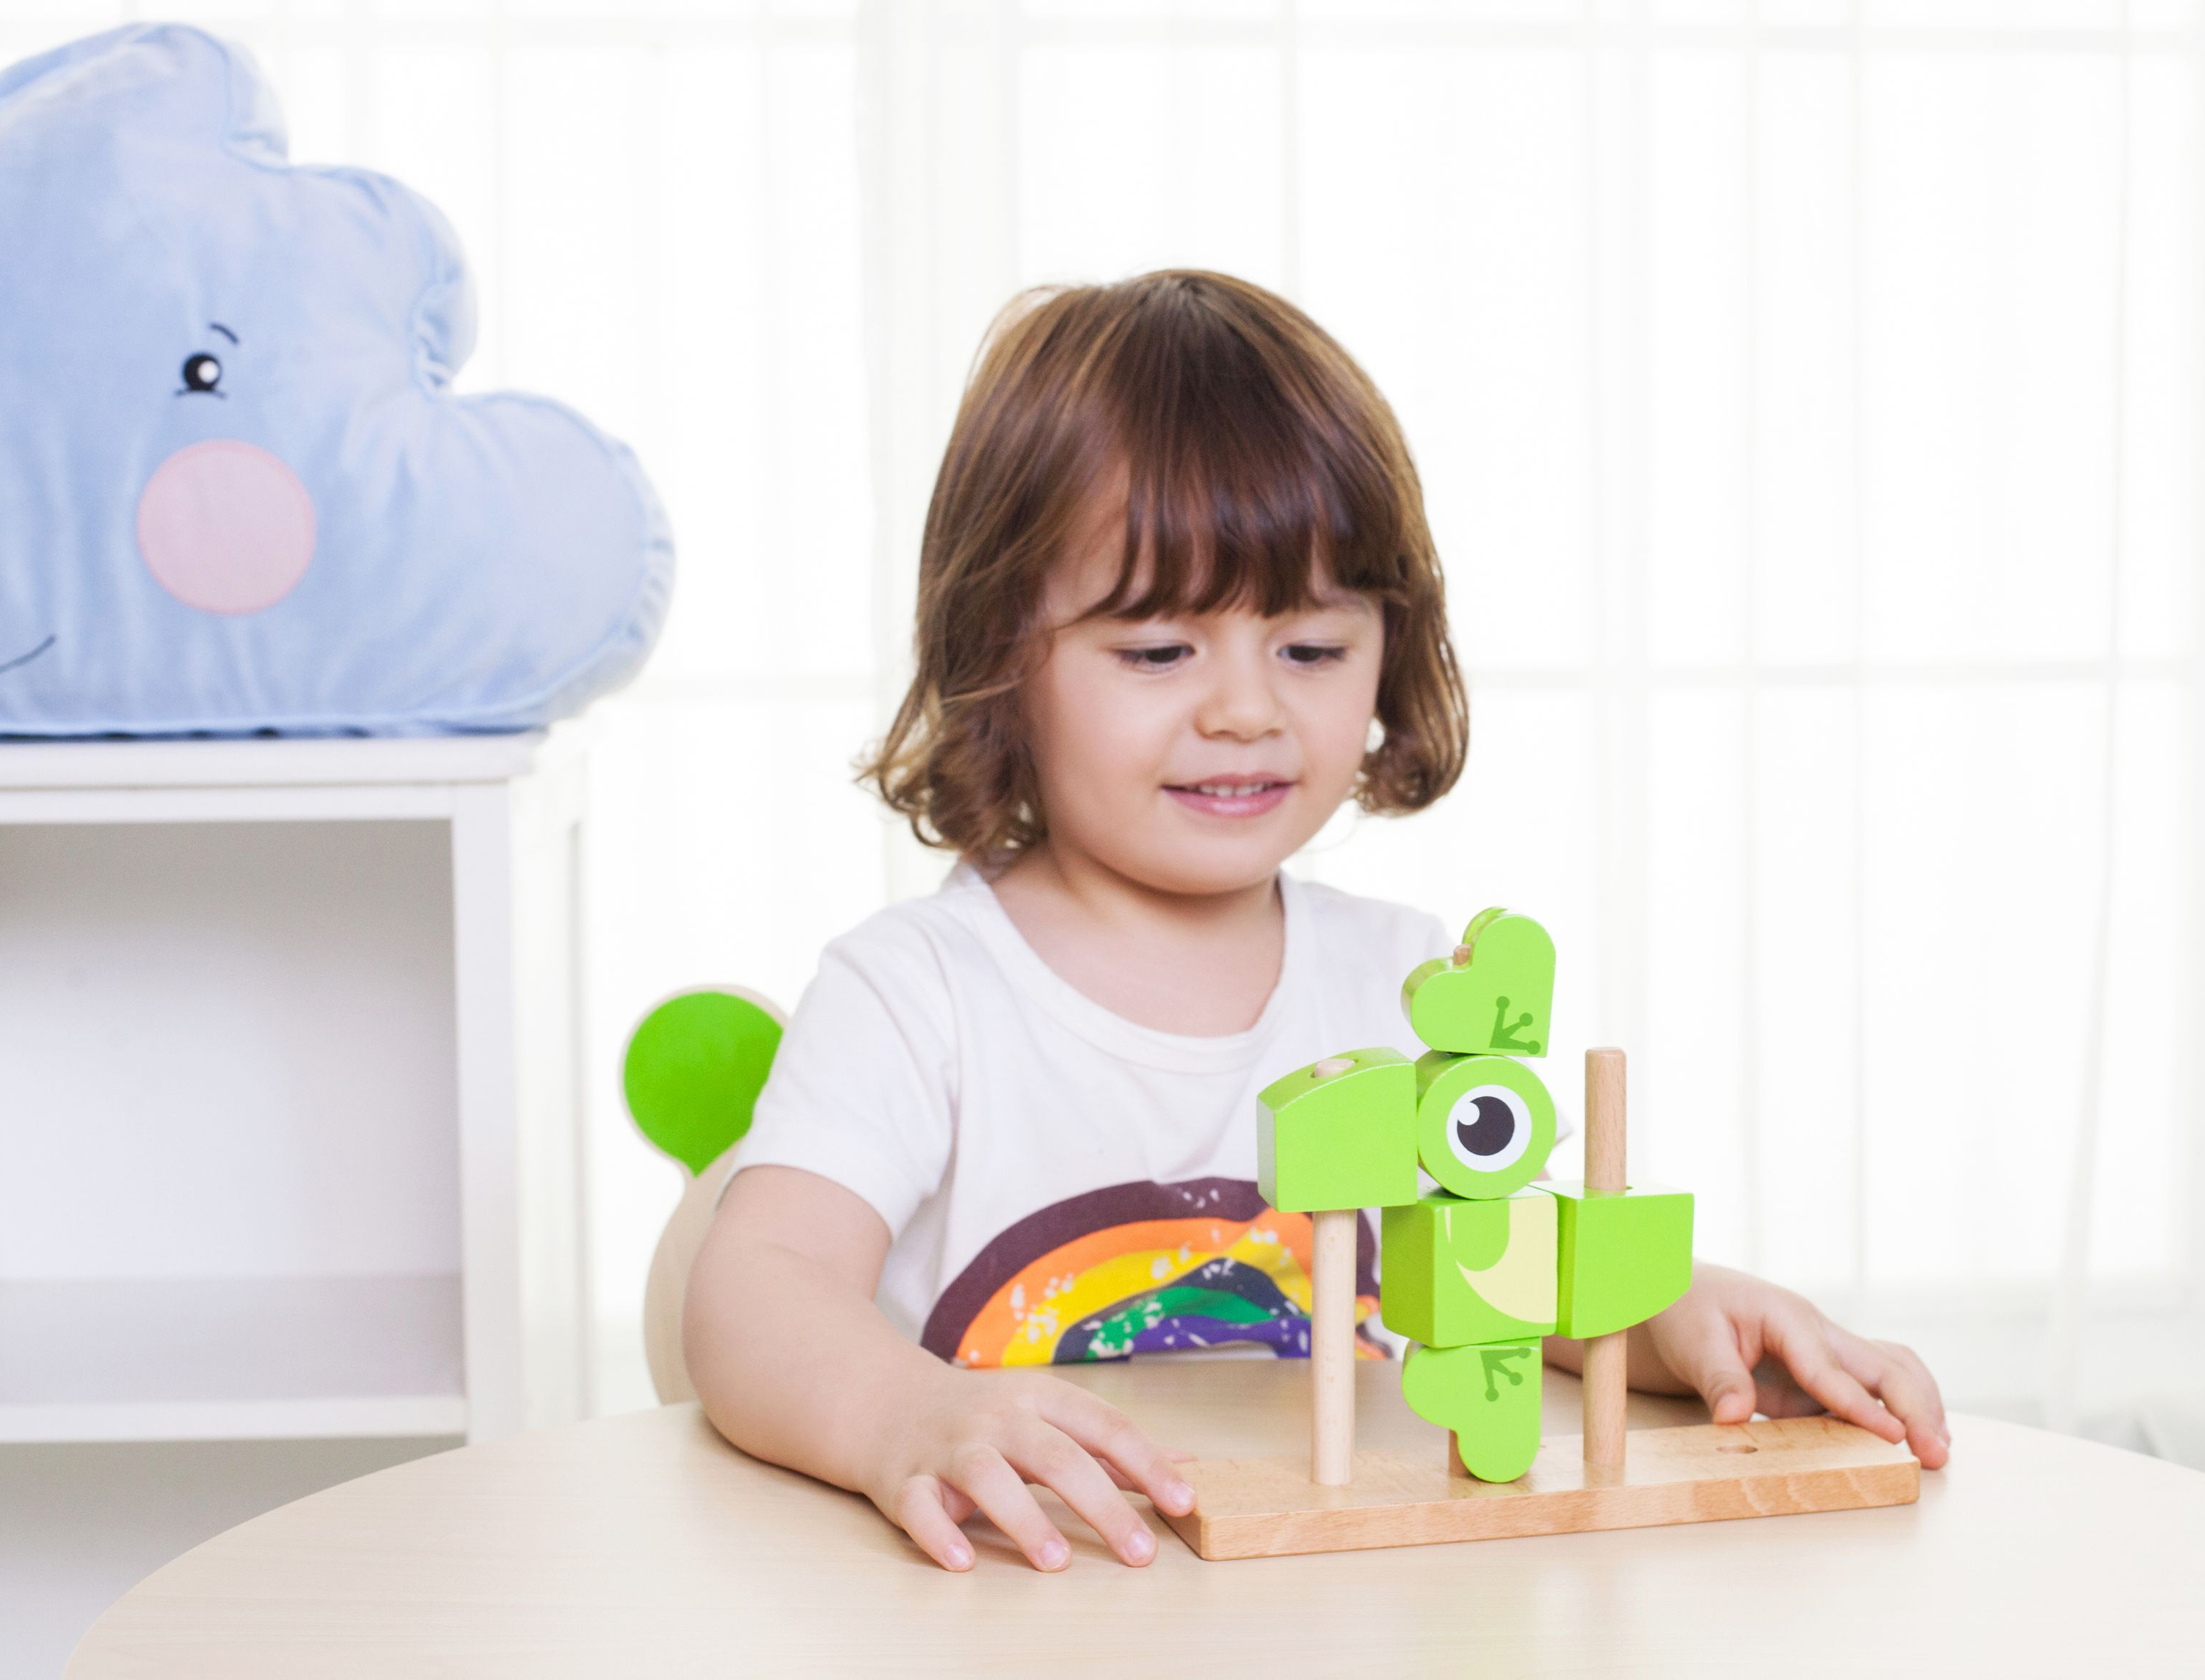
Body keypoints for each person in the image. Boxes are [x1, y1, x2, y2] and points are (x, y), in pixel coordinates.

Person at [684, 270, 1950, 1574]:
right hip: (1028, 1607)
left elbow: (1487, 1276)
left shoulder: (1407, 980)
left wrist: (1677, 1312)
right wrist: (903, 1413)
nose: (1246, 711)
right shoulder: (919, 992)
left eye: (1311, 649)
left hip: (1328, 1608)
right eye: (1157, 651)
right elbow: (755, 1289)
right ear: (1001, 654)